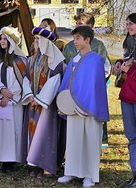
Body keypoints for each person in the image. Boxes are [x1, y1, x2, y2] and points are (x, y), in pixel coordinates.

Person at [57, 26, 109, 188]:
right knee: (73, 140)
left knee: (91, 141)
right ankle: (71, 171)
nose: (75, 41)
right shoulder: (73, 60)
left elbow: (96, 86)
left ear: (87, 40)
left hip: (90, 108)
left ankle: (90, 175)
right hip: (73, 106)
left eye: (78, 38)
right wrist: (62, 103)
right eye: (74, 38)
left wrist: (88, 105)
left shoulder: (96, 60)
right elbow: (67, 82)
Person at [21, 27, 66, 178]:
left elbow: (54, 81)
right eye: (34, 39)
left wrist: (40, 99)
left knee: (45, 134)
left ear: (46, 42)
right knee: (33, 133)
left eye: (38, 39)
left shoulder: (56, 61)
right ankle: (34, 163)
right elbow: (26, 78)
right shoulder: (33, 58)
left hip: (46, 106)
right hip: (33, 103)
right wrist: (30, 96)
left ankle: (45, 166)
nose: (35, 42)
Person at [62, 12, 111, 148]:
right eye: (77, 23)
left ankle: (100, 141)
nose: (77, 26)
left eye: (81, 24)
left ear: (90, 27)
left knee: (91, 121)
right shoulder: (69, 46)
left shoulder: (98, 45)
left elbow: (101, 69)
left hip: (91, 90)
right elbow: (66, 67)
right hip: (74, 89)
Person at [0, 26, 27, 173]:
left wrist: (10, 96)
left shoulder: (21, 60)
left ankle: (13, 160)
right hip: (0, 102)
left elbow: (23, 81)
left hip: (14, 103)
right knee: (2, 131)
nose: (2, 41)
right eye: (1, 38)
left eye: (5, 39)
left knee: (14, 130)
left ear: (12, 41)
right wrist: (1, 91)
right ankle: (3, 159)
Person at [116, 13, 136, 188]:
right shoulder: (128, 43)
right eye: (127, 24)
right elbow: (127, 59)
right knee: (131, 137)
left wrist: (132, 65)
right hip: (128, 95)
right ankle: (135, 174)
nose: (128, 27)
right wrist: (121, 63)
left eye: (131, 24)